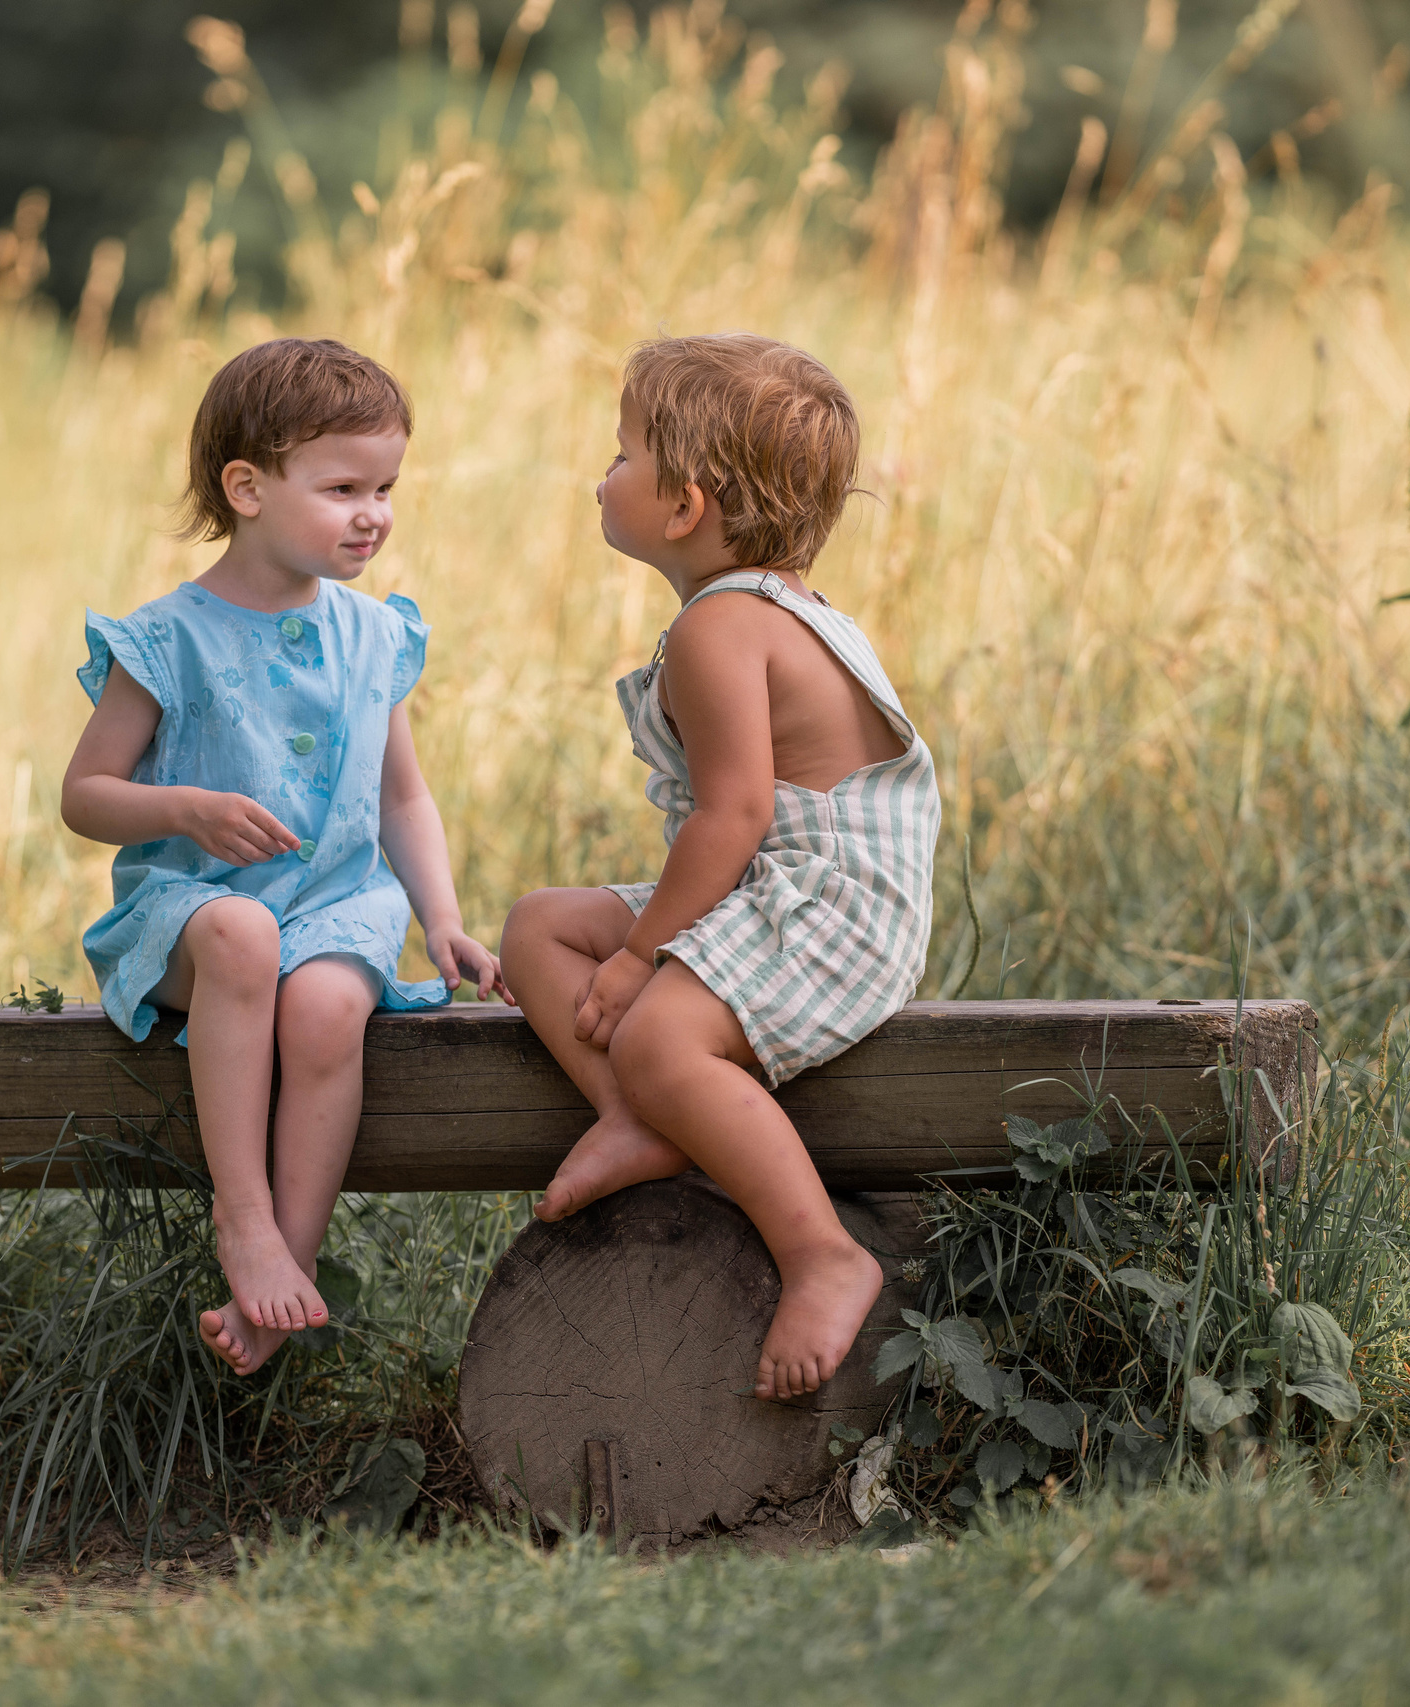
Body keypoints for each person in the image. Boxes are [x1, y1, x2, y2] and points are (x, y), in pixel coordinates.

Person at [502, 334, 940, 1402]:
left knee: (654, 1025)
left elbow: (734, 814)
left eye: (621, 454)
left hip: (834, 906)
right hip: (779, 888)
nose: (600, 475)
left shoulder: (723, 628)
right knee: (537, 929)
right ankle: (639, 1120)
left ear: (685, 505)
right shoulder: (760, 607)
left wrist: (640, 958)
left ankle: (820, 1252)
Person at [63, 337, 505, 1377]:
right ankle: (245, 1217)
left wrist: (439, 916)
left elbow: (404, 794)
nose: (375, 512)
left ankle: (280, 1281)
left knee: (323, 1009)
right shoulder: (166, 639)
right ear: (248, 487)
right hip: (192, 914)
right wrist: (183, 808)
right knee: (244, 932)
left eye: (387, 486)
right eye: (344, 485)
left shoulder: (373, 637)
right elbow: (85, 798)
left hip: (334, 907)